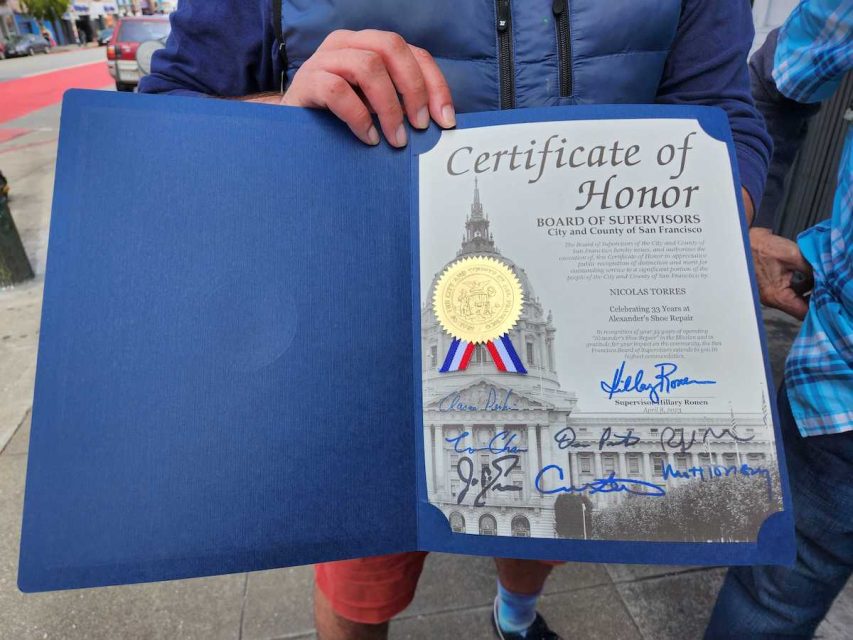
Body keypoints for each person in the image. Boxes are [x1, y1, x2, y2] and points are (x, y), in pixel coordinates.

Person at [140, 2, 772, 638]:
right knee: (361, 578)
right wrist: (280, 121)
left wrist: (704, 218)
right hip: (366, 345)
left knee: (537, 528)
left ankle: (515, 618)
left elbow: (723, 118)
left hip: (576, 322)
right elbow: (159, 126)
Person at [706, 1, 852, 638]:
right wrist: (735, 239)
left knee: (774, 598)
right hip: (839, 390)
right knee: (775, 595)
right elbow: (774, 85)